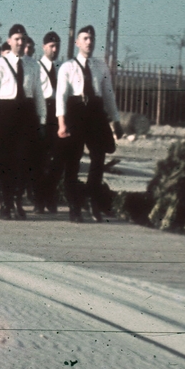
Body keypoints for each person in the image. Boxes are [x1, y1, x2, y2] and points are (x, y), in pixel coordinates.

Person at [55, 25, 125, 223]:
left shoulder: (100, 66)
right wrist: (61, 122)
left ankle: (93, 201)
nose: (89, 41)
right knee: (73, 162)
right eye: (85, 38)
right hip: (75, 113)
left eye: (91, 38)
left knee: (98, 160)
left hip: (95, 114)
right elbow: (60, 96)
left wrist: (116, 121)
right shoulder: (67, 67)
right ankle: (74, 206)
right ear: (77, 42)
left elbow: (109, 95)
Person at [0, 25, 44, 220]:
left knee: (24, 161)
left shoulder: (33, 65)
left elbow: (39, 95)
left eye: (23, 39)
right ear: (9, 41)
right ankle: (5, 203)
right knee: (5, 161)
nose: (20, 42)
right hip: (4, 114)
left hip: (26, 114)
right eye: (16, 38)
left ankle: (17, 200)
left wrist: (42, 120)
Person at [35, 31, 65, 213]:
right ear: (44, 47)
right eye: (51, 46)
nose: (54, 50)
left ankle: (50, 195)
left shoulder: (62, 67)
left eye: (57, 46)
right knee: (40, 160)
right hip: (42, 113)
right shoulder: (36, 67)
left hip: (58, 113)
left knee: (58, 160)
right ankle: (39, 199)